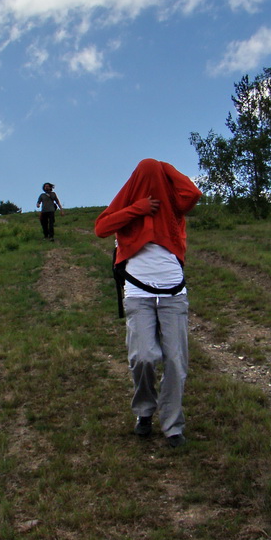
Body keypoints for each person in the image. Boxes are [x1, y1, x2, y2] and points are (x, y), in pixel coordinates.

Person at [94, 159, 202, 448]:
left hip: (173, 295)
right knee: (143, 357)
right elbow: (101, 228)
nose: (152, 182)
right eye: (146, 177)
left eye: (157, 178)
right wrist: (137, 209)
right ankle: (144, 412)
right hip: (138, 294)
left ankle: (172, 425)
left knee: (176, 362)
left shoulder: (174, 206)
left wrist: (162, 166)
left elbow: (192, 194)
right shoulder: (129, 202)